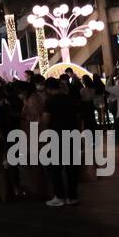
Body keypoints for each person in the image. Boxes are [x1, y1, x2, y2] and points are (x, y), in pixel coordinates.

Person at [42, 78, 81, 206]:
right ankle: (72, 197)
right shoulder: (70, 98)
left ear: (48, 89)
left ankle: (59, 196)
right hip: (72, 134)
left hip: (56, 136)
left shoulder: (50, 101)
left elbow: (46, 120)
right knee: (72, 168)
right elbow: (78, 117)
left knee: (55, 168)